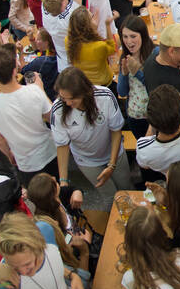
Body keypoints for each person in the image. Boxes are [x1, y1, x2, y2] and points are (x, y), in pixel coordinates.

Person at [0, 46, 58, 185]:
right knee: (59, 189)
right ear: (14, 70)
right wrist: (41, 91)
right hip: (48, 152)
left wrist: (9, 154)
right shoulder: (34, 91)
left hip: (25, 162)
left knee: (41, 197)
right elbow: (54, 117)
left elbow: (0, 141)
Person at [51, 66, 130, 195]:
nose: (68, 103)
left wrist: (111, 165)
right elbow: (62, 145)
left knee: (126, 188)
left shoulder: (105, 96)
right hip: (87, 160)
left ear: (84, 92)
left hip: (114, 151)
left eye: (72, 99)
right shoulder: (58, 110)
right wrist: (63, 181)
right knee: (109, 196)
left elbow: (116, 130)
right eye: (63, 98)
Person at [64, 6, 117, 88]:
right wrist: (107, 25)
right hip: (103, 86)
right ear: (88, 26)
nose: (94, 18)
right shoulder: (99, 46)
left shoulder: (68, 41)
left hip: (83, 86)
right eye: (92, 17)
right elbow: (112, 48)